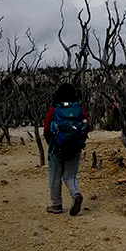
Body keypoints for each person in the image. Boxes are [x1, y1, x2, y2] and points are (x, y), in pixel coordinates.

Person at [44, 82, 90, 215]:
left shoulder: (54, 109)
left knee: (55, 178)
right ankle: (76, 195)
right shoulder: (80, 109)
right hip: (75, 148)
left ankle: (56, 205)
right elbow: (87, 126)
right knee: (70, 176)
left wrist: (51, 144)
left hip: (56, 148)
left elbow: (46, 129)